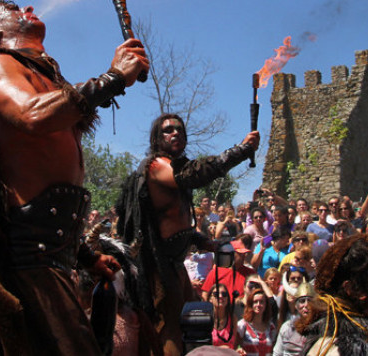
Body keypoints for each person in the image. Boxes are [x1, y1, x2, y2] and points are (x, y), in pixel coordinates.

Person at [0, 0, 148, 354]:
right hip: (28, 261)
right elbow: (32, 114)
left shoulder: (46, 77)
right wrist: (112, 78)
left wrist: (86, 257)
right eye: (13, 8)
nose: (27, 7)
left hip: (52, 257)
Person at [116, 113, 258, 355]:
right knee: (168, 331)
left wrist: (204, 241)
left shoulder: (175, 171)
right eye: (168, 130)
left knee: (190, 326)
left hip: (175, 266)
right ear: (156, 138)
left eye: (180, 130)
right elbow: (195, 174)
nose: (175, 133)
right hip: (157, 269)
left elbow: (177, 221)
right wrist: (242, 150)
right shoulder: (156, 167)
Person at [272, 281, 312, 356]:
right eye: (302, 301)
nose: (306, 304)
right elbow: (277, 354)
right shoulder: (287, 327)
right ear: (296, 306)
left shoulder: (320, 329)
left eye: (309, 301)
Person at [237, 287, 276, 356]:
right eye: (255, 302)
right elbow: (235, 347)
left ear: (266, 305)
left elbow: (274, 350)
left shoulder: (271, 327)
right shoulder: (242, 325)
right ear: (250, 304)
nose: (258, 305)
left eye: (261, 302)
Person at [207, 284, 238, 350]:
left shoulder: (232, 319)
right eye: (216, 294)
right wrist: (220, 349)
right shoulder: (206, 319)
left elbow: (234, 346)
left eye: (224, 294)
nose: (220, 296)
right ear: (210, 298)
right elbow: (201, 348)